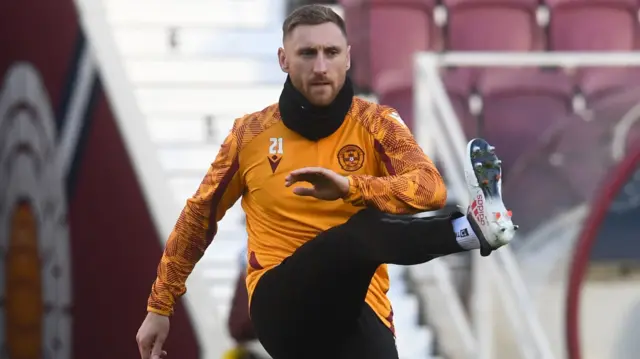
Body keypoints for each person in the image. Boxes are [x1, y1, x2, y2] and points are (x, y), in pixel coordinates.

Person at [135, 4, 518, 359]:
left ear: (348, 57)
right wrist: (159, 305)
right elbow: (198, 217)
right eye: (307, 54)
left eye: (331, 53)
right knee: (356, 231)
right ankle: (472, 230)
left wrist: (353, 187)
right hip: (282, 305)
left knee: (358, 236)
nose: (320, 66)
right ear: (284, 60)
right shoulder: (249, 135)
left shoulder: (377, 123)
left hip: (357, 309)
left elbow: (430, 188)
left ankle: (474, 228)